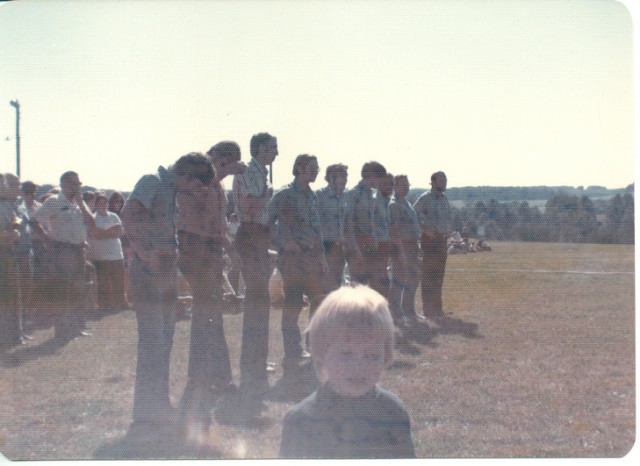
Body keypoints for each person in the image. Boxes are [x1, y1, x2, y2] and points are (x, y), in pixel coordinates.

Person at [279, 285, 415, 459]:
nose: (359, 366)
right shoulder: (301, 420)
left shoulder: (393, 413)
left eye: (371, 355)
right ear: (321, 352)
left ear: (385, 356)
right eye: (346, 354)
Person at [120, 153, 199, 434]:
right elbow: (128, 214)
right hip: (148, 272)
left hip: (165, 272)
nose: (195, 193)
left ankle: (158, 405)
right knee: (153, 342)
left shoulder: (172, 192)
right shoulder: (152, 181)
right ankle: (147, 411)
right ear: (186, 175)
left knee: (164, 340)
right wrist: (144, 253)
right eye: (195, 186)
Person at [268, 154, 328, 381]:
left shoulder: (312, 196)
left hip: (312, 259)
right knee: (292, 306)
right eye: (312, 168)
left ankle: (312, 346)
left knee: (319, 301)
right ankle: (292, 352)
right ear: (299, 169)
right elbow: (266, 223)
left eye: (317, 167)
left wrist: (322, 256)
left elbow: (317, 229)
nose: (316, 171)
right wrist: (283, 242)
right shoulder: (284, 194)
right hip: (292, 261)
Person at [231, 132, 278, 411]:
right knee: (257, 300)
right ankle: (251, 365)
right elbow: (249, 205)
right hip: (250, 235)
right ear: (260, 149)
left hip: (258, 235)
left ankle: (257, 362)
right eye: (273, 148)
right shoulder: (251, 172)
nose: (276, 153)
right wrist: (267, 195)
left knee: (261, 301)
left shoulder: (260, 171)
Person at [32, 171, 96, 340]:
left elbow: (92, 223)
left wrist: (82, 205)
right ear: (64, 185)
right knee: (64, 291)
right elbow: (34, 221)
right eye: (74, 183)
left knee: (78, 290)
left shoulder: (78, 204)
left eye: (79, 183)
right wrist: (47, 239)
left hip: (79, 250)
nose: (78, 187)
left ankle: (76, 327)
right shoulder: (54, 202)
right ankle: (62, 330)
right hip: (62, 250)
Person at [344, 161, 390, 297]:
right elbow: (349, 224)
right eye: (379, 178)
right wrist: (354, 248)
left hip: (370, 245)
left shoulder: (373, 195)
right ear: (370, 176)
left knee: (380, 283)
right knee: (359, 285)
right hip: (357, 246)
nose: (380, 182)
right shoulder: (353, 195)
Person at [413, 171, 452, 317]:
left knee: (438, 276)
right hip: (430, 241)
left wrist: (447, 231)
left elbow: (447, 217)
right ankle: (429, 310)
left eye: (445, 180)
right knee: (428, 276)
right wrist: (425, 229)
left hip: (442, 241)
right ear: (433, 182)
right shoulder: (425, 198)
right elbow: (414, 214)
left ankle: (437, 309)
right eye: (441, 180)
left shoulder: (444, 199)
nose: (444, 183)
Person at [388, 175, 424, 326]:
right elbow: (394, 231)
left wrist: (417, 246)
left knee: (414, 277)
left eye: (407, 185)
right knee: (399, 280)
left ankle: (409, 309)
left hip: (412, 246)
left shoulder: (407, 204)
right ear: (395, 186)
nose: (406, 187)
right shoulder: (394, 205)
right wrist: (401, 251)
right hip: (401, 246)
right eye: (403, 185)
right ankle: (395, 313)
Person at [89, 192, 127, 311]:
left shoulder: (114, 216)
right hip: (101, 256)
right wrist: (111, 231)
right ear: (96, 205)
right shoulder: (93, 218)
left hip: (116, 254)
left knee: (119, 282)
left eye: (105, 203)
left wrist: (104, 232)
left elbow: (120, 232)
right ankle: (105, 305)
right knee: (103, 283)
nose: (103, 205)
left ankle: (120, 304)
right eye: (100, 203)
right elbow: (96, 235)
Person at [315, 163, 349, 292]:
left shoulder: (346, 196)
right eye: (342, 176)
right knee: (323, 287)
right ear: (331, 178)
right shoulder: (319, 196)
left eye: (346, 176)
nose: (345, 179)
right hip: (324, 247)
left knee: (337, 285)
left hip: (339, 247)